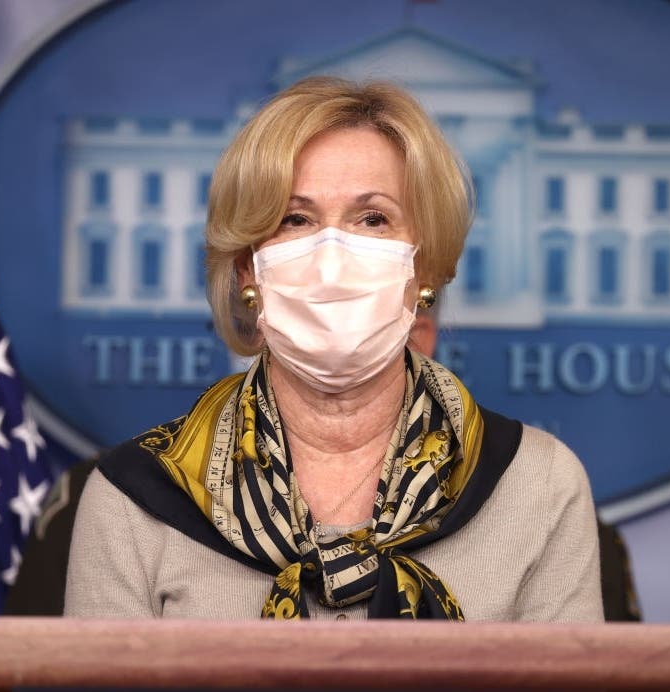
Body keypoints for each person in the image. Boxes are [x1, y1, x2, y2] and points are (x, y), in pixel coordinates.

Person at [64, 77, 603, 621]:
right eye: (295, 220)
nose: (331, 258)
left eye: (373, 219)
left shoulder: (538, 484)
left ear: (425, 265)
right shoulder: (135, 499)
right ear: (249, 267)